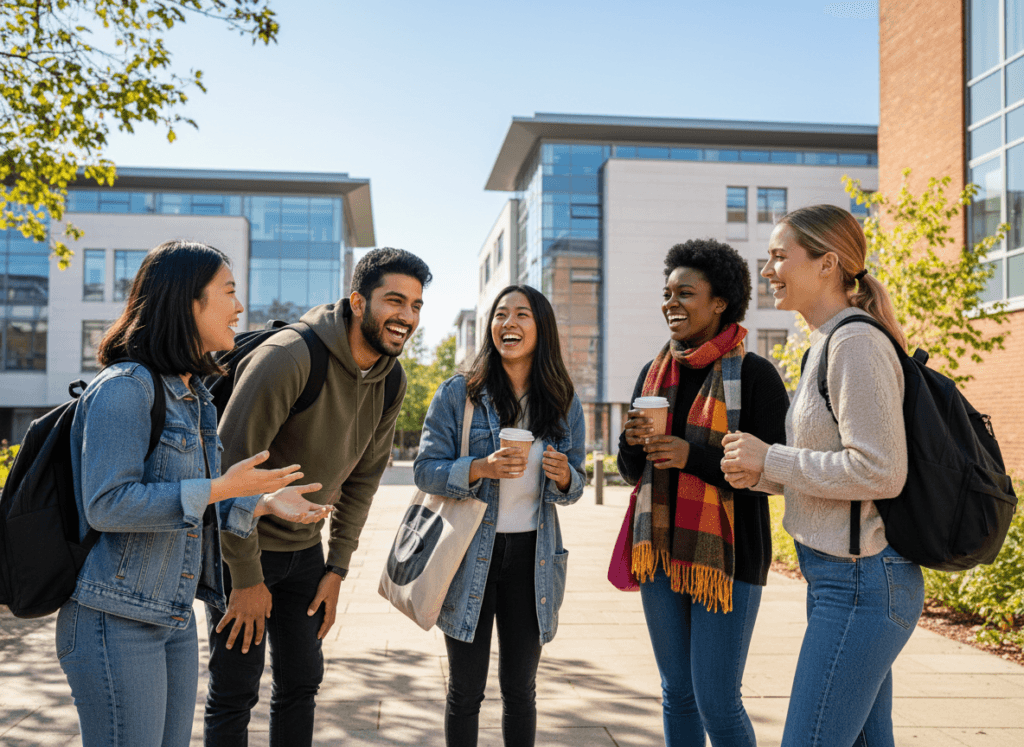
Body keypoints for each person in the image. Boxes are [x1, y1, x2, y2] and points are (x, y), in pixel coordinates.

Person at [56, 240, 331, 747]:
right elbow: (107, 504)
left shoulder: (194, 396)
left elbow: (192, 500)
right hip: (114, 620)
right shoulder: (124, 387)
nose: (239, 307)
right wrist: (222, 487)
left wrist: (260, 502)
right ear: (188, 302)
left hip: (172, 616)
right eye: (228, 291)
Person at [204, 247, 432, 746]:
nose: (406, 317)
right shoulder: (288, 358)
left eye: (416, 305)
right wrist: (245, 579)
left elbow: (363, 481)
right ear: (357, 301)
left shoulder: (391, 379)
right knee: (235, 690)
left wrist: (336, 569)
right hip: (240, 547)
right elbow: (226, 475)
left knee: (301, 683)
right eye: (395, 301)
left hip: (304, 555)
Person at [721, 205, 923, 747]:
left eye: (780, 256)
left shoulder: (854, 344)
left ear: (828, 263)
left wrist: (773, 459)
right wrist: (760, 474)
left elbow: (880, 471)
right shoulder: (826, 342)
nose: (768, 270)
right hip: (841, 579)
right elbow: (838, 470)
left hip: (862, 583)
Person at [616, 239, 789, 747]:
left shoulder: (755, 377)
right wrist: (631, 445)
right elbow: (634, 473)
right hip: (661, 554)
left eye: (684, 293)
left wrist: (692, 456)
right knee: (677, 693)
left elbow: (774, 475)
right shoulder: (653, 375)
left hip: (730, 557)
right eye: (666, 293)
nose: (670, 302)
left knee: (716, 698)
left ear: (720, 302)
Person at [414, 284, 586, 747]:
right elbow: (425, 471)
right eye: (500, 314)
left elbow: (577, 483)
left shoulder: (562, 400)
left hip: (534, 558)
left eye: (522, 314)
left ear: (541, 327)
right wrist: (480, 468)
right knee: (465, 691)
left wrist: (565, 477)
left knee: (520, 691)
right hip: (469, 553)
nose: (508, 323)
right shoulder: (459, 394)